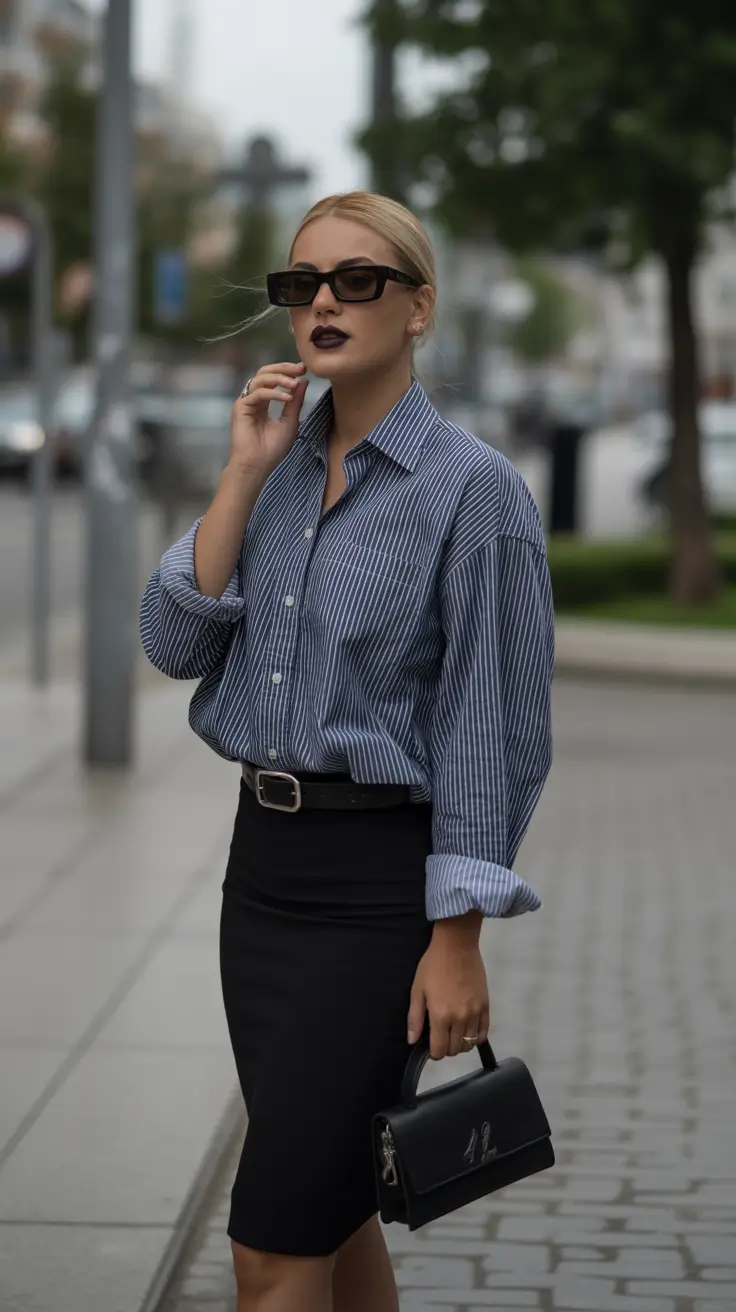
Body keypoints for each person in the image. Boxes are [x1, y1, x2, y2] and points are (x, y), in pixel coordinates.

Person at [140, 191, 555, 1312]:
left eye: (357, 280)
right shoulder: (273, 466)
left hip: (377, 899)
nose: (323, 302)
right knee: (333, 1209)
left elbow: (493, 728)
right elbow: (173, 642)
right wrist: (240, 472)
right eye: (302, 283)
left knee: (271, 1247)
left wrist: (457, 936)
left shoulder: (474, 491)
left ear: (418, 307)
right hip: (261, 881)